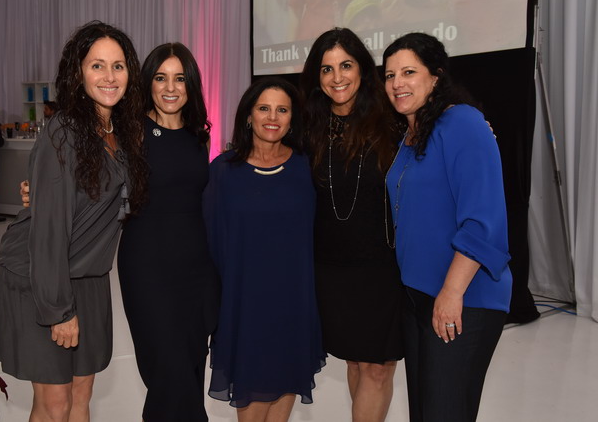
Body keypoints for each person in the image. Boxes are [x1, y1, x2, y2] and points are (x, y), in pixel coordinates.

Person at [0, 20, 147, 422]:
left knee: (81, 394)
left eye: (118, 66)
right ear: (78, 73)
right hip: (43, 277)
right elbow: (48, 232)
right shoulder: (64, 132)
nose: (109, 76)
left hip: (88, 276)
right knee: (55, 404)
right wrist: (58, 310)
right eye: (97, 66)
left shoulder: (122, 130)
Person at [382, 32, 511, 422]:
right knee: (424, 411)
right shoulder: (409, 135)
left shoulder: (462, 122)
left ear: (436, 76)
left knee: (445, 412)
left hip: (463, 297)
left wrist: (452, 293)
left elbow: (483, 219)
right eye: (389, 75)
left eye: (409, 72)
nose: (397, 83)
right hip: (418, 296)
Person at [203, 77, 326, 422]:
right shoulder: (223, 172)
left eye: (282, 110)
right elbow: (210, 241)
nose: (273, 117)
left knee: (283, 399)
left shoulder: (306, 167)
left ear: (292, 119)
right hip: (244, 308)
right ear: (248, 116)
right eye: (264, 108)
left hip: (293, 305)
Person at [299, 27, 403, 422]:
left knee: (377, 366)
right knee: (356, 362)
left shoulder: (392, 121)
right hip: (330, 267)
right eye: (327, 69)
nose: (337, 77)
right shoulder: (308, 127)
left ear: (362, 69)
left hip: (383, 267)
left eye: (346, 65)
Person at [117, 42, 220, 421]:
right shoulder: (130, 132)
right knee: (168, 373)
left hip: (196, 270)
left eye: (180, 78)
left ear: (191, 84)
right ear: (148, 83)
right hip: (147, 268)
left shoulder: (198, 136)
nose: (170, 87)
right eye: (161, 78)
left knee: (191, 367)